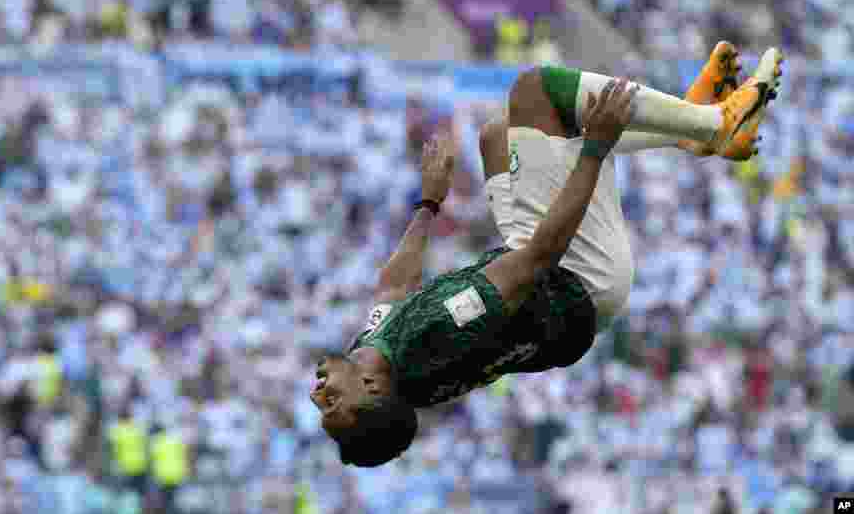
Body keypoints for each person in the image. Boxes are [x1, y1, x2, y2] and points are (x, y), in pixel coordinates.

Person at [310, 42, 785, 467]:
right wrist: (595, 151)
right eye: (331, 403)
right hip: (577, 276)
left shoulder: (371, 360)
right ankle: (714, 124)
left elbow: (393, 287)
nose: (318, 394)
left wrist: (429, 204)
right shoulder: (435, 336)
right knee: (537, 94)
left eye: (320, 404)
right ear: (372, 390)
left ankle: (685, 131)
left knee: (499, 137)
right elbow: (541, 254)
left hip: (540, 285)